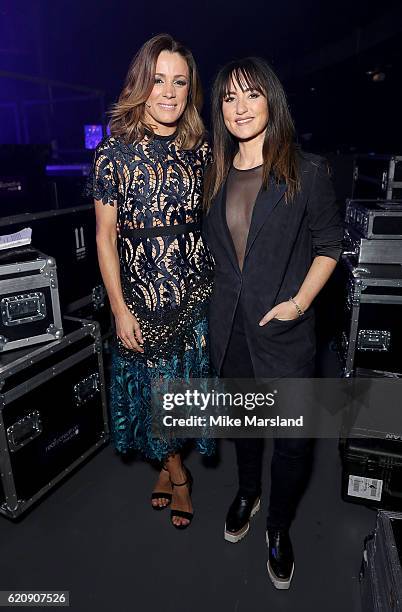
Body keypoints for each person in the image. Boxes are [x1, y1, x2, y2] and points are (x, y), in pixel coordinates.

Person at [203, 57, 343, 587]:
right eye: (229, 98)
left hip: (284, 333)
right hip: (230, 329)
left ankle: (279, 527)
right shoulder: (213, 174)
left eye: (252, 95)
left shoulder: (305, 171)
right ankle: (247, 492)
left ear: (271, 101)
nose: (240, 108)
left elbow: (330, 246)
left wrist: (300, 303)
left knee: (290, 443)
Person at [88, 33, 215, 529]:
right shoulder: (112, 155)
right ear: (141, 84)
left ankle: (169, 469)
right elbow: (104, 238)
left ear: (189, 91)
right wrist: (119, 308)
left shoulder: (201, 152)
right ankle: (177, 473)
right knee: (152, 394)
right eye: (158, 80)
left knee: (180, 392)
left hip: (194, 295)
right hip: (138, 300)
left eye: (179, 82)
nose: (168, 92)